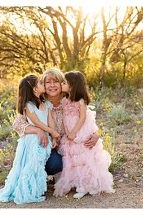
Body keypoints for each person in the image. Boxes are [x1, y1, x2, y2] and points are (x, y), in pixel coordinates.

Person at [11, 68, 100, 176]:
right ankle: (39, 173)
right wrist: (38, 130)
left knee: (87, 157)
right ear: (42, 85)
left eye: (56, 81)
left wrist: (95, 135)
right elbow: (17, 123)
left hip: (70, 146)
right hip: (48, 146)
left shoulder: (70, 100)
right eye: (48, 82)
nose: (52, 85)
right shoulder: (38, 101)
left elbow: (86, 119)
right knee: (55, 164)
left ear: (63, 83)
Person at [53, 71, 114, 199]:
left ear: (72, 85)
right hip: (69, 134)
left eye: (64, 82)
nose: (61, 84)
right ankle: (77, 183)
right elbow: (64, 117)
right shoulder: (64, 100)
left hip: (80, 131)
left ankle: (87, 185)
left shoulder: (80, 101)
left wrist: (74, 132)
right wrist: (68, 133)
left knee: (85, 158)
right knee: (72, 159)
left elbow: (82, 118)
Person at [0, 74, 55, 204]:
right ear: (34, 89)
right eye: (40, 83)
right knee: (32, 165)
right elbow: (36, 122)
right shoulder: (28, 105)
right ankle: (28, 190)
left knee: (38, 165)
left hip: (45, 139)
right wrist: (51, 131)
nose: (43, 84)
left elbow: (51, 121)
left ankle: (36, 188)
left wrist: (54, 135)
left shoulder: (46, 103)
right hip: (33, 140)